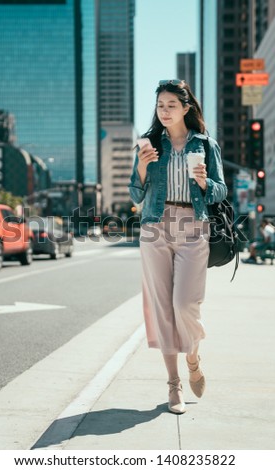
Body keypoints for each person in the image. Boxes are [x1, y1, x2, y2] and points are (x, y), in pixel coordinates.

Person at [128, 79, 227, 414]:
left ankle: (194, 357)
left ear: (186, 107)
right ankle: (174, 386)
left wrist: (203, 181)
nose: (165, 111)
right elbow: (134, 194)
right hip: (155, 226)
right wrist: (142, 165)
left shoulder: (204, 144)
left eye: (171, 104)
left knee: (186, 304)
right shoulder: (149, 143)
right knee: (162, 309)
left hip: (193, 225)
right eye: (160, 105)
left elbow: (220, 191)